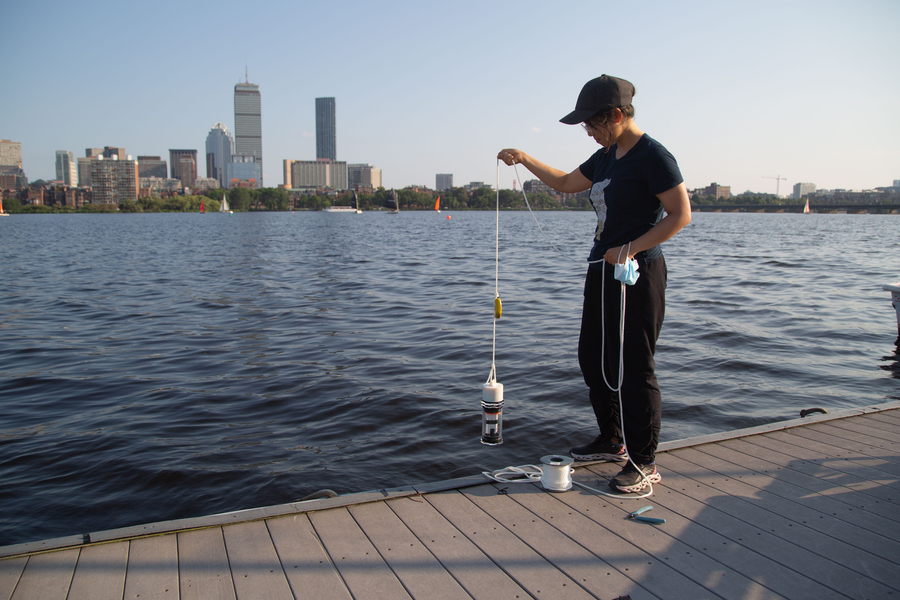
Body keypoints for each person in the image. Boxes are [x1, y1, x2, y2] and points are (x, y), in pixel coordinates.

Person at [498, 74, 691, 493]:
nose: (587, 131)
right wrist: (526, 158)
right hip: (602, 269)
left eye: (591, 123)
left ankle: (644, 464)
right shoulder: (607, 155)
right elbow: (568, 183)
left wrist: (630, 248)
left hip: (637, 274)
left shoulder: (653, 156)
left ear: (617, 115)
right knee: (593, 357)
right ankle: (613, 440)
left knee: (636, 367)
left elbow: (680, 215)